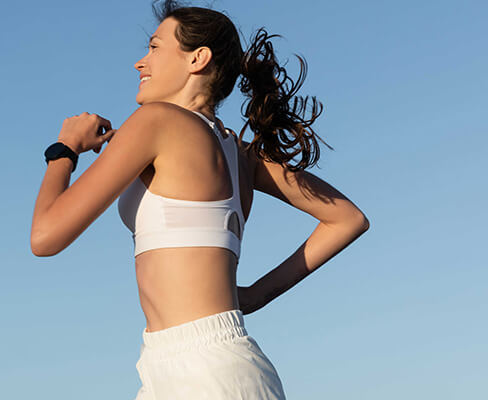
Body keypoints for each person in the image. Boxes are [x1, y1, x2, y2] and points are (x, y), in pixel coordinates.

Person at [30, 0, 369, 398]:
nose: (140, 63)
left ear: (197, 58)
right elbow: (347, 219)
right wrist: (251, 296)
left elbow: (45, 236)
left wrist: (64, 149)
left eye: (154, 47)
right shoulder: (241, 154)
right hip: (200, 364)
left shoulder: (156, 122)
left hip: (204, 372)